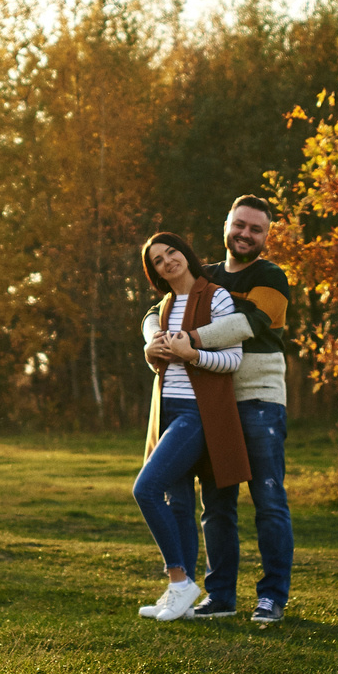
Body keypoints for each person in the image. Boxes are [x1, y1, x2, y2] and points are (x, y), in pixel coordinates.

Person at [185, 195, 296, 624]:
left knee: (268, 499)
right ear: (226, 224)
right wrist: (152, 333)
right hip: (213, 403)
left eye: (256, 229)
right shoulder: (205, 276)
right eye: (240, 225)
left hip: (260, 398)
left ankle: (271, 597)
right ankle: (221, 597)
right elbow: (161, 309)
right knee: (216, 503)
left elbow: (246, 326)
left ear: (266, 237)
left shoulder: (271, 276)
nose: (246, 234)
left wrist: (190, 338)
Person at [132, 230, 248, 623]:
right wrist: (152, 352)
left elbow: (233, 360)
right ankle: (179, 594)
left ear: (186, 252)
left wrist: (193, 354)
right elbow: (160, 361)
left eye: (172, 252)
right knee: (175, 501)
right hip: (164, 411)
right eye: (158, 261)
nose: (168, 261)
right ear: (156, 273)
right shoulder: (163, 307)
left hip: (197, 414)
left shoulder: (216, 296)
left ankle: (180, 581)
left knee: (145, 489)